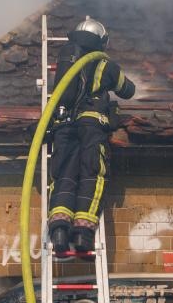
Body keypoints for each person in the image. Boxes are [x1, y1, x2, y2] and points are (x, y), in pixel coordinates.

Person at [48, 17, 136, 258]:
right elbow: (127, 90)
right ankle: (82, 233)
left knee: (63, 174)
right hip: (91, 126)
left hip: (63, 125)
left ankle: (58, 232)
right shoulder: (105, 64)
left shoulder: (67, 59)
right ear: (102, 41)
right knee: (91, 172)